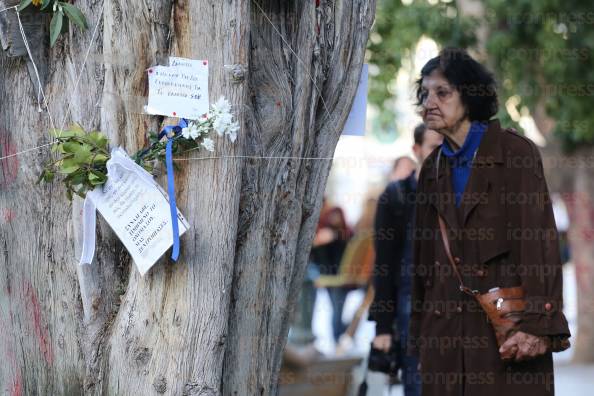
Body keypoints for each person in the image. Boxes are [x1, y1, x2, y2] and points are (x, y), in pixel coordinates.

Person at [409, 48, 570, 396]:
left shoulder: (515, 154)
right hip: (445, 342)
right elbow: (423, 263)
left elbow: (539, 244)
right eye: (424, 93)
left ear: (469, 95)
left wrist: (537, 326)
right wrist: (422, 340)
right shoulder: (432, 168)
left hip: (507, 335)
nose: (429, 102)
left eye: (442, 92)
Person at [369, 124, 442, 396]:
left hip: (459, 314)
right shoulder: (395, 196)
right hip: (412, 311)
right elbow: (384, 265)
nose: (443, 152)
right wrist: (383, 327)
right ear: (417, 150)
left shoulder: (465, 195)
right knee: (418, 386)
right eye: (435, 146)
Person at [311, 198, 353, 342]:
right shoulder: (322, 231)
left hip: (342, 278)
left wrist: (333, 236)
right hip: (330, 277)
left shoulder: (345, 234)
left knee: (337, 309)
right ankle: (341, 332)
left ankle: (339, 334)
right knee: (336, 309)